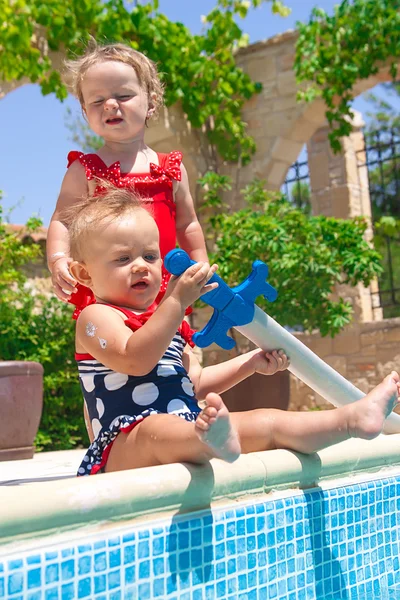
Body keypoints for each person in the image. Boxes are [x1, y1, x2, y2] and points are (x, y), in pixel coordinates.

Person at [64, 187, 400, 476]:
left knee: (267, 421)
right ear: (85, 274)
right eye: (122, 259)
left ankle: (353, 419)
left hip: (189, 423)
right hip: (124, 446)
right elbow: (135, 360)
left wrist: (249, 364)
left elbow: (192, 384)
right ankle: (207, 440)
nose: (141, 265)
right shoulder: (96, 317)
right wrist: (176, 302)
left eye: (150, 255)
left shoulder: (167, 324)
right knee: (155, 429)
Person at [47, 39, 208, 306]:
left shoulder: (171, 169)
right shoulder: (86, 171)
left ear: (151, 103)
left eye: (123, 96)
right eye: (97, 101)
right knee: (113, 347)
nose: (110, 105)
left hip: (163, 290)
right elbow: (62, 221)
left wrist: (200, 262)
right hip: (106, 295)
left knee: (169, 346)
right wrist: (58, 259)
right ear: (86, 113)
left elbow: (187, 223)